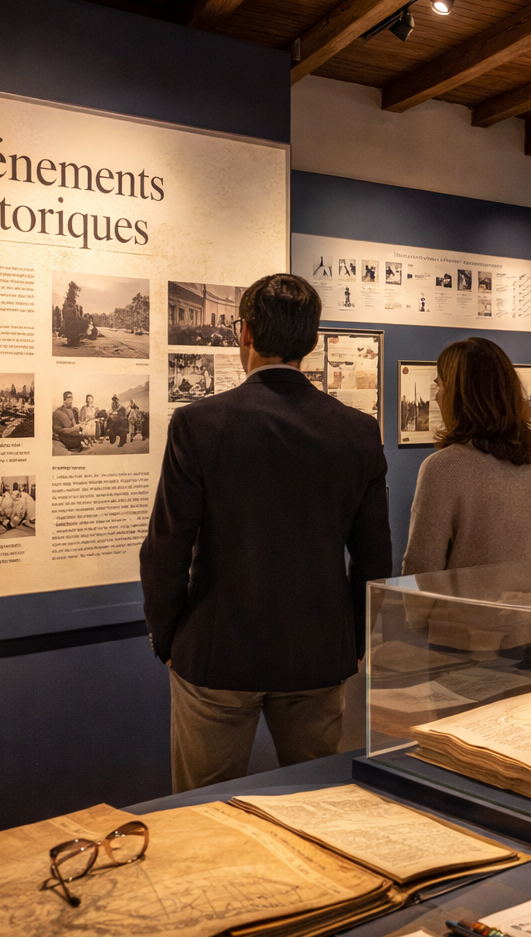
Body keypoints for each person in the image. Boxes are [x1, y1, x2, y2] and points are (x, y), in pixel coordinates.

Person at [141, 273, 391, 793]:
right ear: (313, 341)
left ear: (246, 333)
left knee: (203, 810)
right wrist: (354, 639)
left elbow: (167, 547)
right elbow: (373, 558)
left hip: (216, 652)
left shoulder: (198, 423)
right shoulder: (358, 430)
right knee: (318, 800)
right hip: (318, 652)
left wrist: (169, 639)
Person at [401, 337, 531, 575]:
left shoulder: (442, 468)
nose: (437, 396)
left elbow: (422, 567)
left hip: (464, 601)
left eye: (440, 386)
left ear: (458, 395)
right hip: (527, 598)